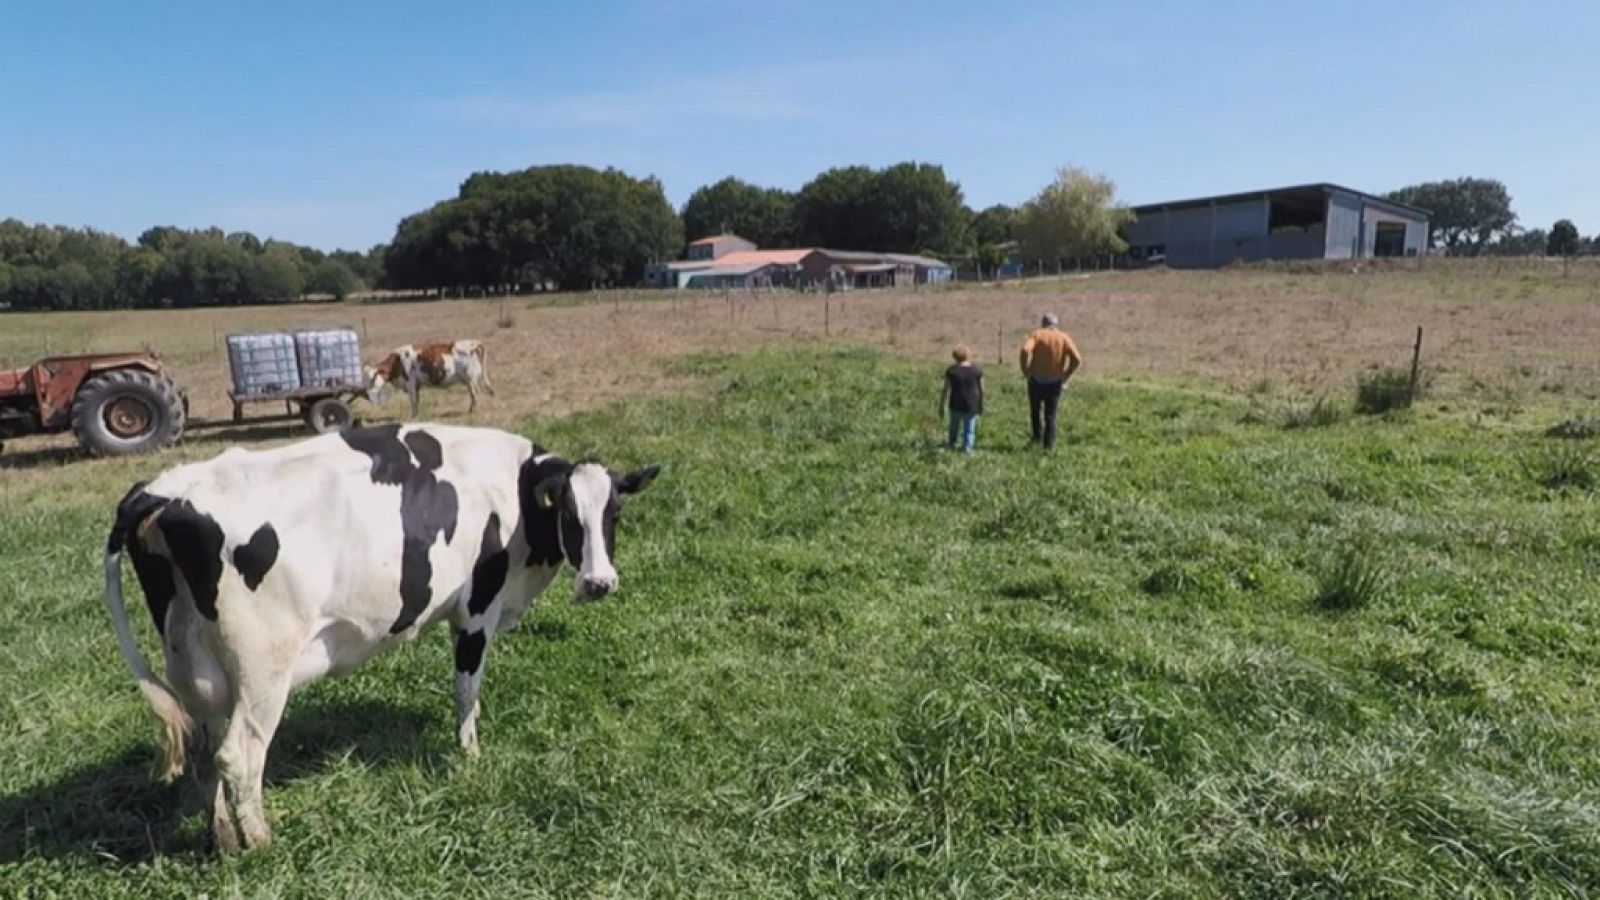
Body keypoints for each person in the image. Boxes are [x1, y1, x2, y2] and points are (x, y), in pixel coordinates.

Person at [1018, 313, 1082, 449]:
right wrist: (1065, 375)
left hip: (1036, 380)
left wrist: (1025, 370)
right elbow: (1077, 359)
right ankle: (1049, 444)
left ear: (1043, 323)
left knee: (1035, 411)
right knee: (1051, 415)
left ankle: (1036, 438)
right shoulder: (1063, 337)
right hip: (1054, 382)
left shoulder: (1037, 335)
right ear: (1056, 324)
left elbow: (1025, 350)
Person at [940, 345, 984, 454]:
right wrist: (981, 404)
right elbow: (982, 390)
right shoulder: (976, 371)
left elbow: (945, 389)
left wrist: (941, 405)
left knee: (953, 426)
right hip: (971, 404)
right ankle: (967, 448)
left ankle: (952, 443)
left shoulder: (951, 371)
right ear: (968, 356)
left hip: (955, 404)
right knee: (969, 429)